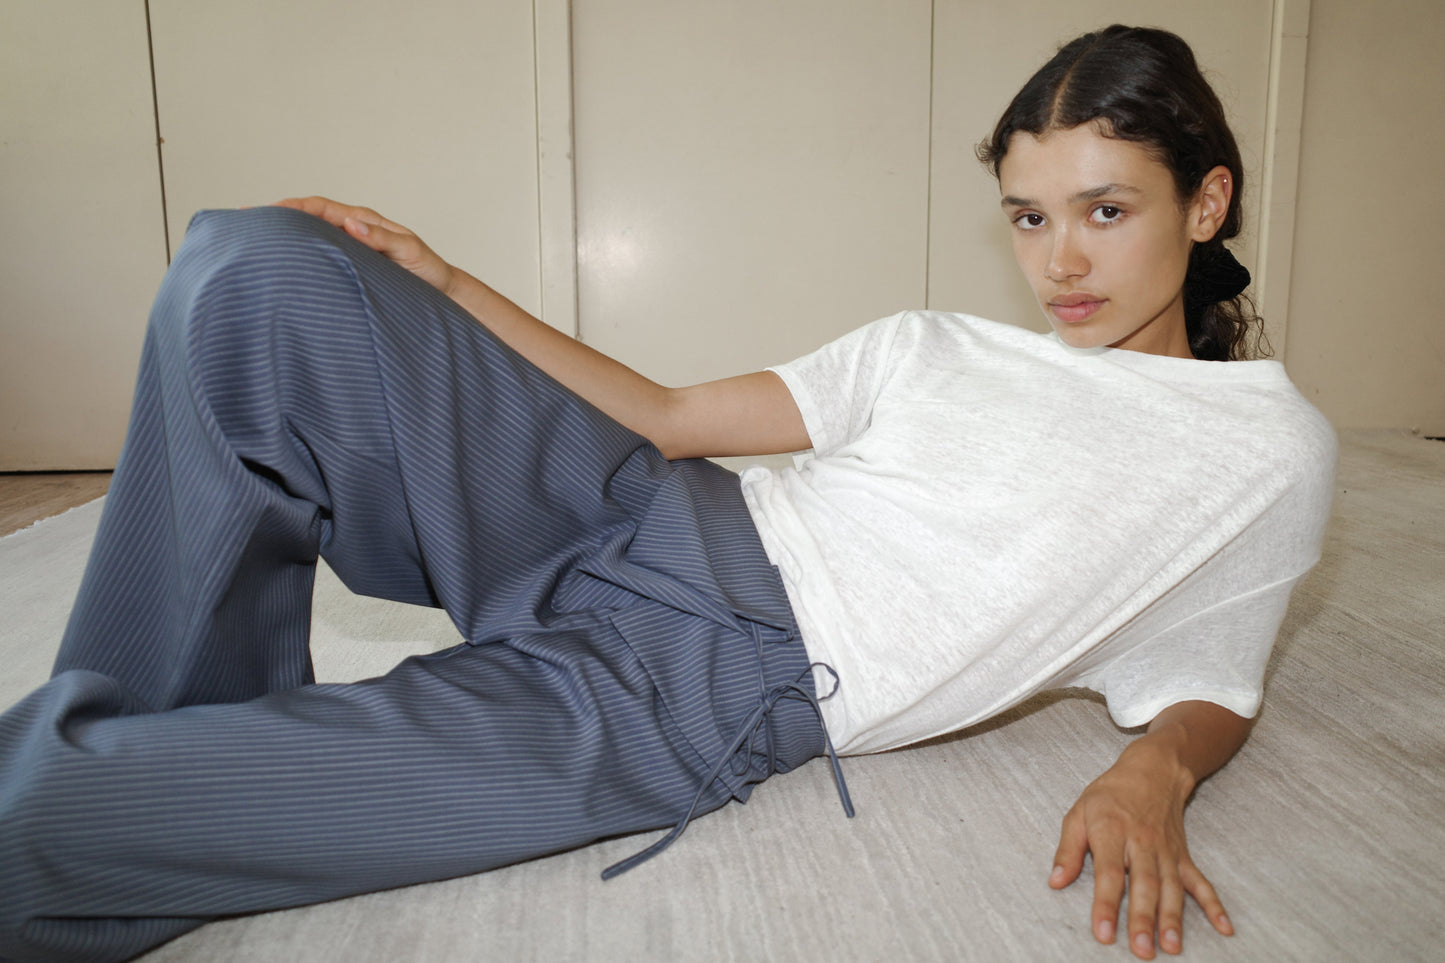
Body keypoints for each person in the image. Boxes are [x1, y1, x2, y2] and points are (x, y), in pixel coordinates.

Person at [0, 24, 1334, 963]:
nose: (1059, 263)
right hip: (632, 509)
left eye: (1105, 211)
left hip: (712, 682)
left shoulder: (1261, 450)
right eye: (1028, 216)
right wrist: (443, 284)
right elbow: (673, 417)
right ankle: (148, 738)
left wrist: (1154, 773)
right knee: (252, 266)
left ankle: (126, 773)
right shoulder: (935, 343)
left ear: (1204, 201)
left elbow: (1211, 676)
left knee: (44, 820)